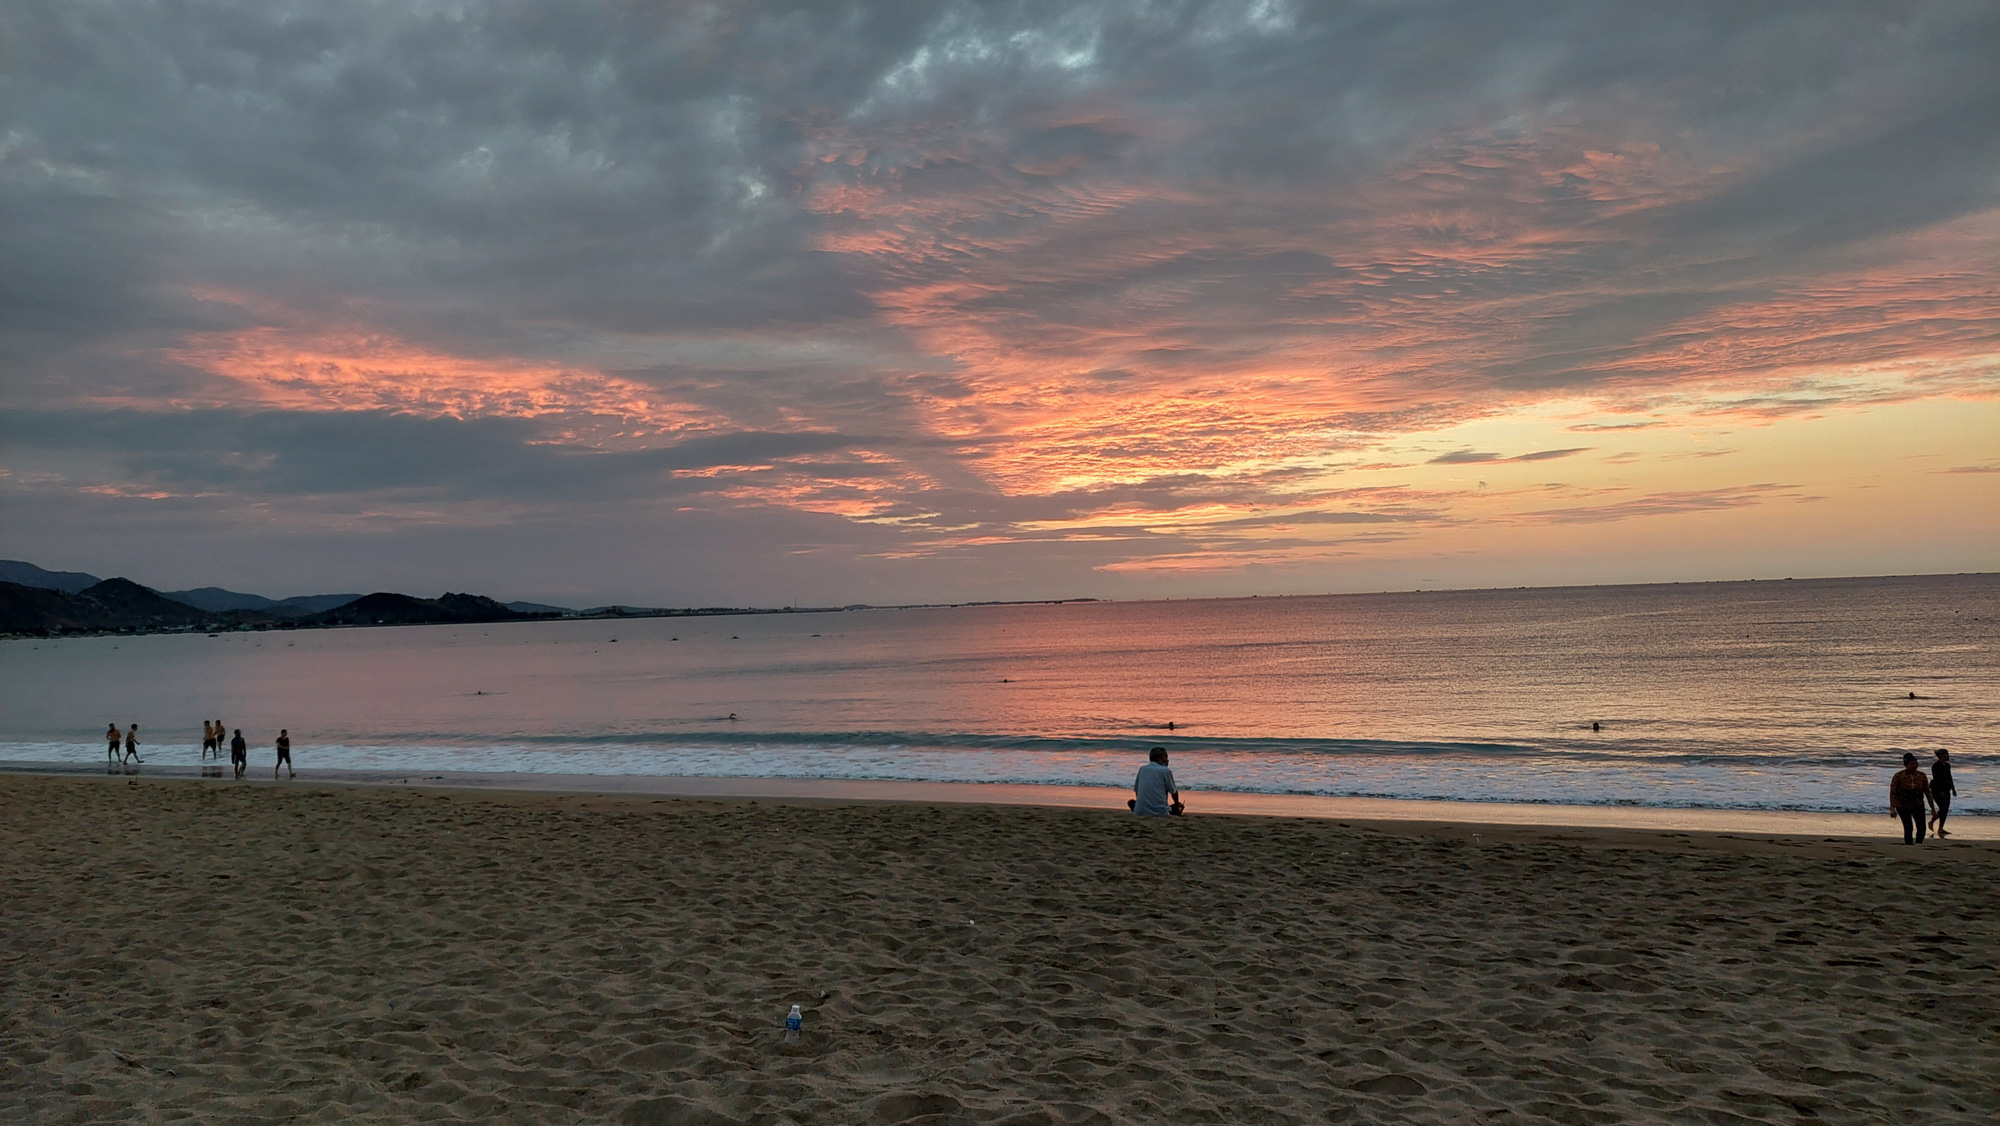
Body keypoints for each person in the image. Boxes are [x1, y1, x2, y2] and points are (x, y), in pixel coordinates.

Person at [1889, 753, 1934, 845]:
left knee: (1921, 827)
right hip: (1903, 805)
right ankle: (1909, 844)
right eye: (1912, 764)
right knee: (1908, 827)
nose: (1915, 766)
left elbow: (1927, 792)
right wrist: (1892, 808)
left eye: (1916, 763)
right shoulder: (1898, 776)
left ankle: (1918, 843)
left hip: (1918, 804)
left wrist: (1933, 808)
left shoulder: (1921, 775)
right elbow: (1893, 792)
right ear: (1906, 765)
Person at [1129, 747, 1184, 817]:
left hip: (1140, 810)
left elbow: (1137, 791)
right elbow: (1174, 792)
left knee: (1131, 802)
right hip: (1160, 812)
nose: (1167, 760)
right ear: (1159, 758)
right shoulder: (1165, 771)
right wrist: (1176, 804)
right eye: (1165, 757)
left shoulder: (1142, 769)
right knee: (1179, 807)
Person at [1930, 748, 1956, 838]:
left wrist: (1953, 789)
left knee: (1945, 810)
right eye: (1946, 754)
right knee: (1943, 808)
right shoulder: (1935, 766)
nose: (1948, 756)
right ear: (1940, 756)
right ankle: (1932, 822)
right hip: (1937, 790)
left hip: (1946, 789)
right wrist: (1940, 791)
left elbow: (1949, 777)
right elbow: (1936, 779)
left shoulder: (1947, 765)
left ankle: (1940, 828)